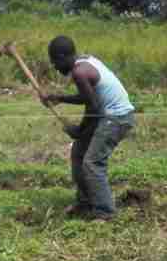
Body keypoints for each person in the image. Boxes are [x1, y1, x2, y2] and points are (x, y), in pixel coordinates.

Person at [42, 36, 136, 220]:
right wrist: (59, 98)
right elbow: (89, 97)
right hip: (106, 115)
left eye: (55, 62)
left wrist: (79, 130)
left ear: (62, 56)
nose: (55, 67)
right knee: (78, 154)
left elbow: (94, 108)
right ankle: (85, 203)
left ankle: (105, 212)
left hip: (116, 118)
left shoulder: (79, 72)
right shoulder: (85, 61)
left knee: (92, 163)